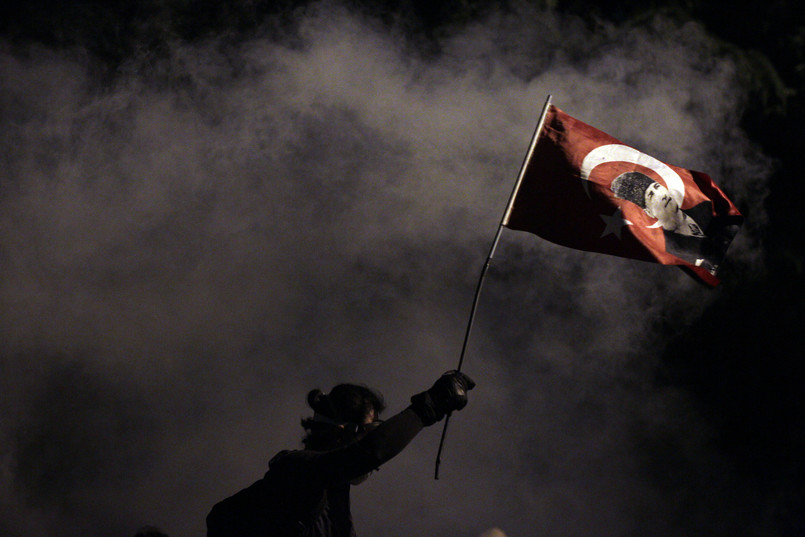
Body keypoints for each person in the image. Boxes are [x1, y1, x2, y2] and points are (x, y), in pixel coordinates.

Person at [206, 370, 475, 537]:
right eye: (370, 431)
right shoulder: (296, 472)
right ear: (341, 431)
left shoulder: (335, 510)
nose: (376, 465)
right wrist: (431, 406)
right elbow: (370, 453)